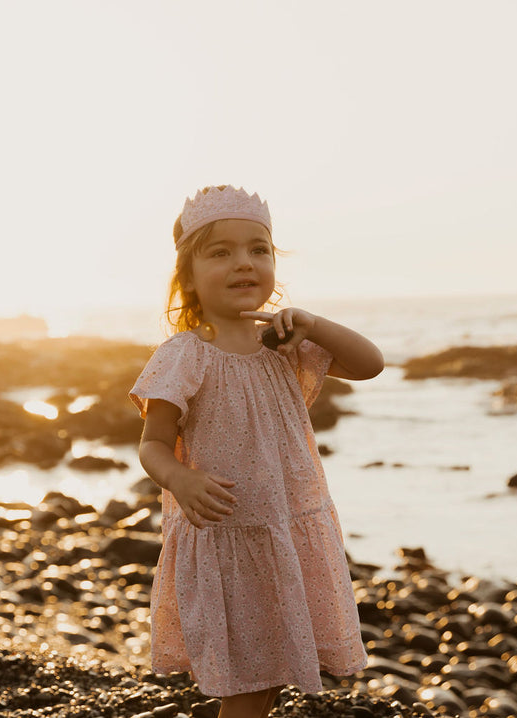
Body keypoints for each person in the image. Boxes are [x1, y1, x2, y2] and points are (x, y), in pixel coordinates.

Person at [129, 185, 384, 718]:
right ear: (188, 276)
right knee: (249, 684)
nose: (243, 262)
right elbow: (153, 444)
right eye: (220, 252)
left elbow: (369, 363)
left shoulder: (284, 343)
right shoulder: (185, 355)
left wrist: (312, 323)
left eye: (258, 249)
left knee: (269, 680)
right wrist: (179, 478)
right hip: (228, 535)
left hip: (289, 530)